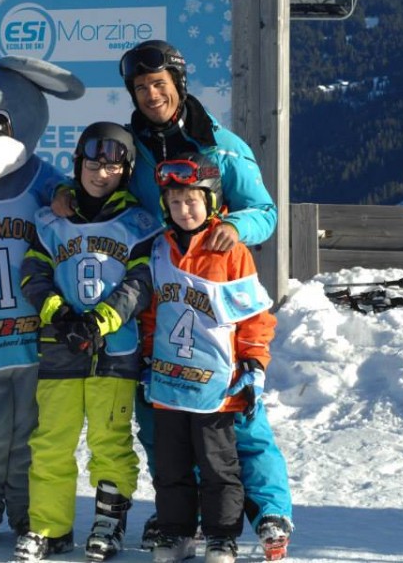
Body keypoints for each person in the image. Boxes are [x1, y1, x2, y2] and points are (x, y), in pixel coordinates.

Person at [111, 39, 292, 561]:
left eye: (159, 85)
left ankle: (270, 511)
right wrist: (65, 195)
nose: (151, 95)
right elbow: (96, 186)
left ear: (179, 84)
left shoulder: (222, 146)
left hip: (216, 296)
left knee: (237, 418)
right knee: (162, 424)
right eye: (141, 88)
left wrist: (235, 227)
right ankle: (179, 518)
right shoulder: (129, 147)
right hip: (161, 295)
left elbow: (264, 211)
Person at [16, 123, 162, 562]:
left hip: (113, 351)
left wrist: (100, 321)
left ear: (126, 172)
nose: (101, 174)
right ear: (78, 164)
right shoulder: (50, 220)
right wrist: (58, 314)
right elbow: (33, 274)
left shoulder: (138, 223)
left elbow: (140, 283)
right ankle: (50, 527)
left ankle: (108, 523)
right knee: (51, 441)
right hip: (59, 347)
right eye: (93, 164)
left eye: (113, 167)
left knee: (109, 440)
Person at [142, 153, 277, 563]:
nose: (184, 210)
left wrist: (254, 362)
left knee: (219, 465)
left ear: (211, 202)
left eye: (192, 201)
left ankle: (221, 537)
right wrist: (146, 357)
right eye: (175, 202)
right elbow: (152, 313)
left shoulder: (230, 251)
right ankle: (176, 533)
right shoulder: (160, 250)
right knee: (171, 466)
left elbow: (254, 316)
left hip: (215, 384)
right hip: (169, 382)